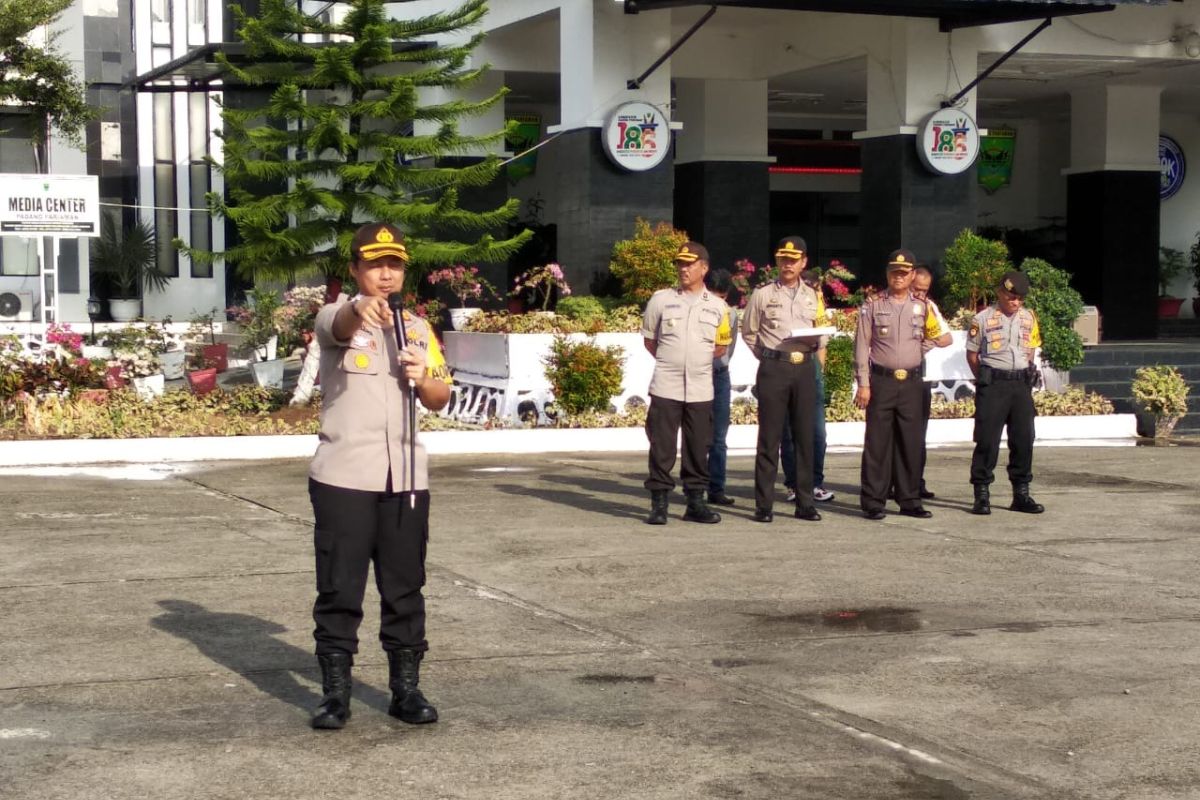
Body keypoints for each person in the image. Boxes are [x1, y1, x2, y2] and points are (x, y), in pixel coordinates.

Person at [307, 222, 453, 731]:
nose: (386, 275)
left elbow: (440, 398)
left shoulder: (417, 328)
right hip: (345, 477)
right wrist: (356, 309)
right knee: (340, 588)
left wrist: (423, 376)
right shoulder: (335, 316)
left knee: (405, 588)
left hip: (407, 478)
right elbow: (339, 323)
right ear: (355, 269)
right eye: (375, 265)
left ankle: (406, 692)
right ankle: (335, 695)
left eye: (394, 265)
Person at [854, 249, 951, 520]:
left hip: (911, 382)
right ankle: (873, 501)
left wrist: (921, 349)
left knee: (911, 442)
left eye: (904, 273)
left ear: (911, 276)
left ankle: (909, 499)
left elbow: (941, 335)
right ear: (888, 274)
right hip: (882, 380)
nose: (899, 277)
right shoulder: (873, 305)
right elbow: (862, 346)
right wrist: (863, 383)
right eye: (894, 272)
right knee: (877, 443)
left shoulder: (923, 306)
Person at [642, 241, 733, 525]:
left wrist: (694, 360)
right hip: (666, 385)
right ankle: (659, 505)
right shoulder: (661, 299)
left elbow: (720, 346)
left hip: (700, 387)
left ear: (703, 268)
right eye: (680, 264)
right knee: (662, 447)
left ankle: (695, 504)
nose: (683, 269)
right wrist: (674, 360)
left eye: (689, 264)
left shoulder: (719, 307)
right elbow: (650, 340)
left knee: (698, 447)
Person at [742, 236, 826, 523]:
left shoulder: (812, 295)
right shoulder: (763, 294)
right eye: (783, 259)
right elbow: (749, 332)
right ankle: (764, 505)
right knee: (770, 439)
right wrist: (767, 357)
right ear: (777, 262)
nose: (788, 264)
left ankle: (805, 502)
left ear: (804, 262)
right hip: (774, 368)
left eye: (794, 260)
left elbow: (820, 329)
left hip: (803, 367)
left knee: (805, 438)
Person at [966, 270, 1046, 516]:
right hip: (994, 385)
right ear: (1000, 292)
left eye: (1020, 298)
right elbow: (972, 356)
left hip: (1020, 385)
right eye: (1011, 297)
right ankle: (982, 494)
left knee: (1023, 439)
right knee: (987, 440)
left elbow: (1030, 350)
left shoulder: (1029, 318)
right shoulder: (981, 319)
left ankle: (1021, 494)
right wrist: (987, 378)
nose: (1016, 302)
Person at [889, 264, 946, 501]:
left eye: (925, 290)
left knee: (916, 433)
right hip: (891, 374)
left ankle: (915, 482)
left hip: (917, 373)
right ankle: (890, 482)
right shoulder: (890, 303)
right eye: (917, 288)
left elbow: (944, 336)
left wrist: (919, 348)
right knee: (891, 433)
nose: (921, 294)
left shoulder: (928, 307)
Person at [780, 268, 834, 504]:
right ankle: (793, 484)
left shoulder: (817, 304)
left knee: (817, 432)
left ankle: (815, 483)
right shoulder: (780, 298)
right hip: (786, 365)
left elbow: (822, 342)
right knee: (790, 432)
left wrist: (818, 372)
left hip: (811, 367)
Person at [705, 268, 738, 507]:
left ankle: (716, 488)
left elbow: (728, 349)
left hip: (719, 375)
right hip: (696, 374)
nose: (718, 302)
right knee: (694, 434)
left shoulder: (731, 315)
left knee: (719, 436)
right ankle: (693, 486)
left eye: (722, 297)